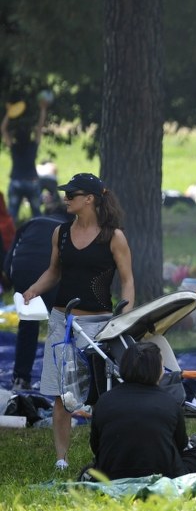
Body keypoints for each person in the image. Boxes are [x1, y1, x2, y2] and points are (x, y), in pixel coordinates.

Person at [21, 173, 134, 471]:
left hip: (98, 324)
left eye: (72, 194)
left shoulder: (113, 237)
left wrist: (125, 318)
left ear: (90, 199)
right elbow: (53, 272)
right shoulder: (60, 233)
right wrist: (33, 290)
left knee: (99, 396)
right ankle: (61, 459)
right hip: (62, 321)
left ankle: (105, 456)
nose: (66, 198)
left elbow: (127, 281)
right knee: (62, 395)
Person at [90, 342, 196, 479]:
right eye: (162, 366)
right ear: (157, 370)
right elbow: (180, 445)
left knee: (90, 469)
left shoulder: (104, 400)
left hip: (110, 477)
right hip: (164, 477)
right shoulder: (170, 401)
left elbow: (96, 446)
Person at [3, 213, 68, 390]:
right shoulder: (70, 228)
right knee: (62, 324)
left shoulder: (32, 223)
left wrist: (11, 278)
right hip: (51, 272)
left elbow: (11, 255)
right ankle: (63, 380)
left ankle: (21, 378)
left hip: (23, 270)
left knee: (28, 323)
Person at [2, 92, 49, 221]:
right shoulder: (33, 146)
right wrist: (43, 109)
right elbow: (39, 127)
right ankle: (40, 231)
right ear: (29, 136)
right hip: (32, 181)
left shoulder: (14, 147)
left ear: (16, 137)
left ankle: (10, 233)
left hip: (16, 181)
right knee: (37, 214)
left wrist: (9, 113)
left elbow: (3, 129)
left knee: (12, 214)